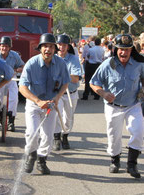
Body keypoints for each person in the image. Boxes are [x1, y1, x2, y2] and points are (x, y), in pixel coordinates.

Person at [90, 34, 144, 179]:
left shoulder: (139, 64)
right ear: (116, 49)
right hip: (113, 106)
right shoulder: (108, 64)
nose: (123, 53)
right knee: (114, 137)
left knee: (138, 132)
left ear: (132, 50)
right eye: (121, 49)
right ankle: (115, 160)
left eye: (127, 49)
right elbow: (93, 82)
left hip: (133, 105)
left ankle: (132, 164)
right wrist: (103, 93)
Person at [19, 33, 70, 175]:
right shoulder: (31, 63)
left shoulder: (61, 64)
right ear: (40, 48)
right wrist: (38, 101)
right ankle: (31, 155)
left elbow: (65, 82)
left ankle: (42, 161)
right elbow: (22, 87)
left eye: (51, 47)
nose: (48, 49)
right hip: (34, 104)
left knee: (48, 136)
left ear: (55, 49)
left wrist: (58, 97)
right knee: (31, 133)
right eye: (45, 46)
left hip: (51, 105)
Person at [53, 34, 82, 151]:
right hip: (56, 93)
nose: (61, 47)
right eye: (59, 44)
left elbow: (75, 78)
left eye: (64, 45)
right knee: (56, 115)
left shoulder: (74, 59)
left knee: (68, 117)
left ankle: (65, 136)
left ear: (68, 47)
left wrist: (60, 77)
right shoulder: (52, 58)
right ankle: (56, 138)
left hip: (71, 92)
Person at [0, 36, 25, 132]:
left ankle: (11, 120)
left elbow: (22, 66)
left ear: (10, 47)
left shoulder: (14, 55)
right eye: (2, 46)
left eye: (6, 46)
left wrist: (15, 70)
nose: (4, 48)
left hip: (10, 79)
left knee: (14, 98)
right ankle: (0, 114)